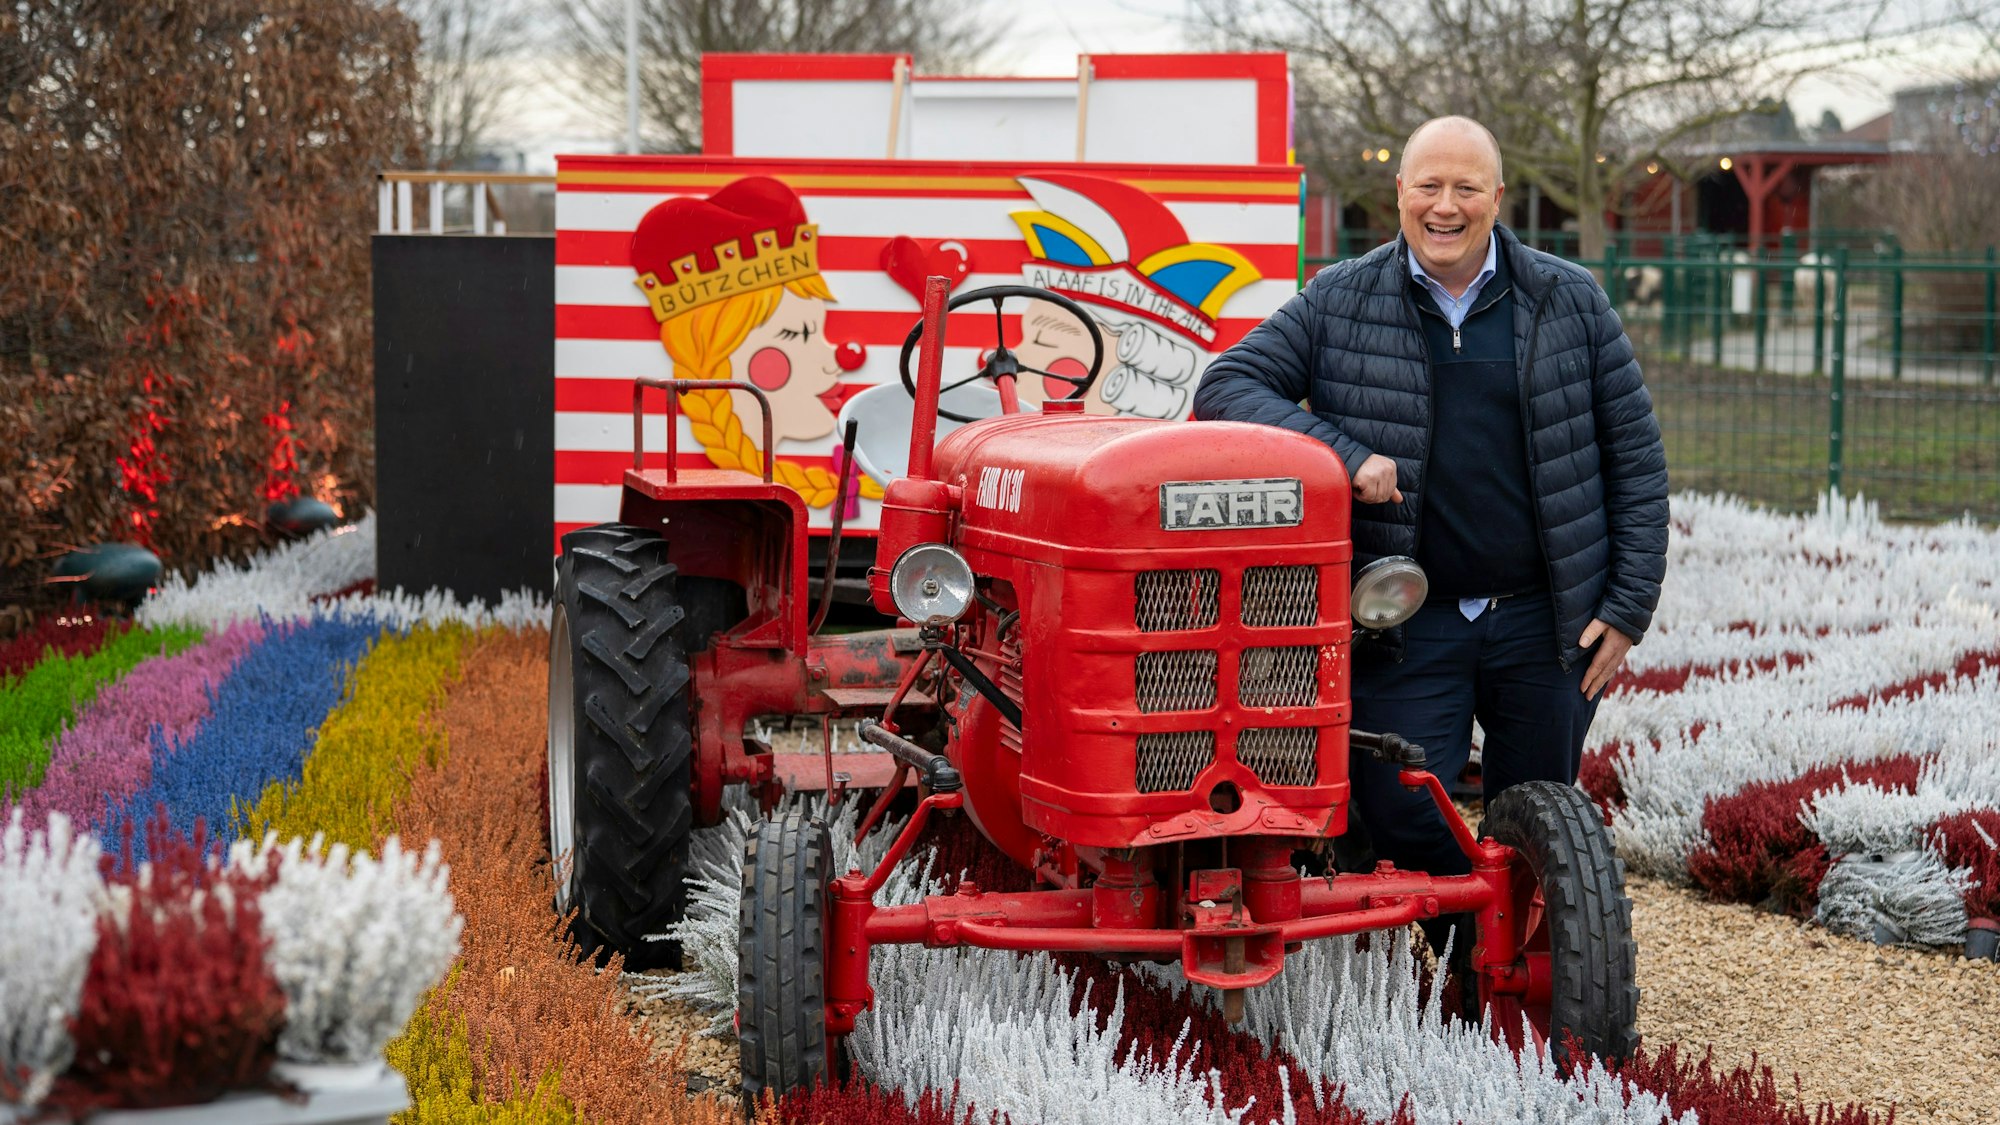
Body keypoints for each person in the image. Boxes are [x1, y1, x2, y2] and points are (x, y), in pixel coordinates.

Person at [1189, 117, 1668, 910]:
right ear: (1400, 193)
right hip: (1406, 624)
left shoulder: (1570, 299)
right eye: (1429, 187)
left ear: (1498, 197)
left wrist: (1626, 609)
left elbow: (1638, 460)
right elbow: (1227, 386)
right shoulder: (1340, 297)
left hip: (1546, 622)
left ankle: (1520, 968)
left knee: (1540, 823)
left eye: (1466, 188)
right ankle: (1470, 947)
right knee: (1402, 813)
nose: (1446, 206)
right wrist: (1345, 455)